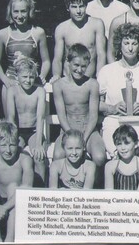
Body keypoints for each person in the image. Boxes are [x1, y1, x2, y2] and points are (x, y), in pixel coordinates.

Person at [98, 23, 139, 161]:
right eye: (126, 43)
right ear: (120, 44)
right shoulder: (107, 71)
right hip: (115, 121)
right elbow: (96, 104)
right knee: (118, 153)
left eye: (134, 43)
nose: (130, 48)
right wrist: (112, 108)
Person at [52, 44, 106, 183]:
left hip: (88, 129)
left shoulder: (92, 84)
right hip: (67, 129)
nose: (79, 69)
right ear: (67, 62)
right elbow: (61, 116)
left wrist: (83, 139)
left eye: (84, 66)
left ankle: (96, 188)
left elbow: (93, 117)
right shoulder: (58, 85)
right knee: (58, 155)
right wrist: (70, 136)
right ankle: (63, 187)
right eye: (76, 65)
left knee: (99, 157)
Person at [0, 0, 50, 116]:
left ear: (29, 11)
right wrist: (5, 80)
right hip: (11, 82)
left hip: (32, 82)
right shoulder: (3, 34)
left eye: (23, 11)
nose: (19, 16)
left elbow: (46, 61)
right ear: (10, 12)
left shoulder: (38, 32)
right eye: (16, 11)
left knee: (33, 122)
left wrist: (41, 77)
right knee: (11, 125)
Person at [51, 0, 106, 82]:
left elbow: (101, 54)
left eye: (81, 6)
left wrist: (100, 76)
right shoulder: (61, 28)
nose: (78, 11)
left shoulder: (97, 24)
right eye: (74, 7)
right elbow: (57, 59)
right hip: (68, 79)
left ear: (86, 6)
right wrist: (56, 75)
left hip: (90, 79)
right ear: (68, 8)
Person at [7, 57, 47, 186]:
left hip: (35, 131)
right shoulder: (12, 91)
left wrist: (39, 144)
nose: (28, 80)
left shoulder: (39, 91)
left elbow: (40, 117)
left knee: (39, 156)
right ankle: (15, 187)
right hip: (17, 131)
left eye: (31, 77)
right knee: (13, 153)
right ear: (17, 76)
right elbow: (11, 117)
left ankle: (41, 189)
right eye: (24, 77)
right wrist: (12, 139)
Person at [105, 124, 139, 190]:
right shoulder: (110, 166)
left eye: (127, 143)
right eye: (119, 144)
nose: (123, 148)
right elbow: (109, 195)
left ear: (136, 144)